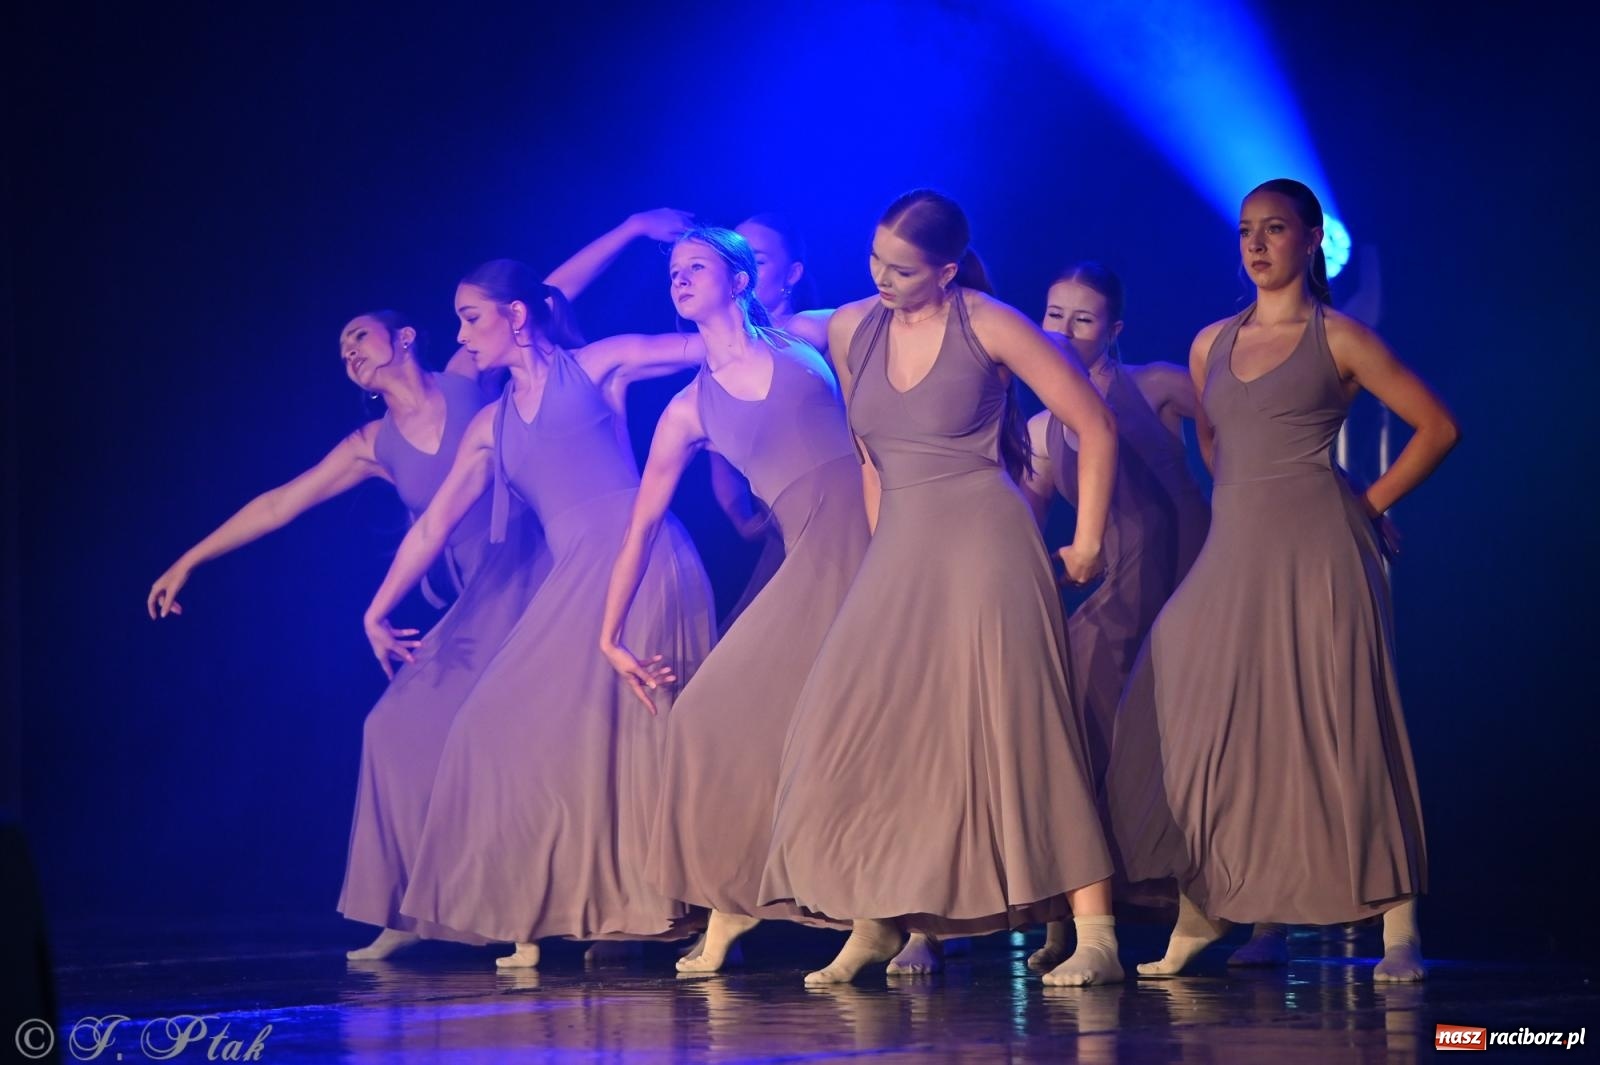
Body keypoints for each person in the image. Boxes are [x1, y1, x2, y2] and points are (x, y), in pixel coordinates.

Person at [759, 190, 1125, 987]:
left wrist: (1088, 539)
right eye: (875, 260)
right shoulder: (854, 328)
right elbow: (869, 458)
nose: (881, 278)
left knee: (1024, 727)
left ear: (947, 270)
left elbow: (1095, 424)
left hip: (986, 543)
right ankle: (876, 914)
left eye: (901, 269)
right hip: (902, 545)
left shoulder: (990, 324)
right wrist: (879, 555)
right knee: (864, 725)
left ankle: (1097, 934)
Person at [1104, 179, 1458, 983]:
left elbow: (1438, 427)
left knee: (1344, 719)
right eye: (1245, 231)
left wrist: (1364, 504)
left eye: (1273, 229)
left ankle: (1399, 925)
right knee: (1191, 693)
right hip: (1238, 546)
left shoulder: (1341, 338)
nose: (1257, 244)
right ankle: (1209, 906)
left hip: (1322, 548)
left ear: (1310, 238)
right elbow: (1219, 445)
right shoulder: (1210, 343)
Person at [362, 259, 717, 968]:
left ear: (517, 315)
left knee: (652, 728)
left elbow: (709, 344)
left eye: (471, 318)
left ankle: (700, 912)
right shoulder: (490, 426)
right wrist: (376, 611)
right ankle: (553, 910)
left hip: (644, 559)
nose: (462, 336)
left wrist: (823, 318)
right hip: (573, 578)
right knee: (492, 727)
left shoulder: (597, 366)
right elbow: (431, 527)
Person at [600, 227, 869, 973]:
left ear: (742, 280)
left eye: (698, 266)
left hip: (879, 531)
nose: (680, 278)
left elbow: (904, 313)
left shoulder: (805, 335)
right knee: (707, 717)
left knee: (879, 714)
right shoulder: (688, 411)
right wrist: (610, 634)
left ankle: (907, 918)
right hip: (806, 558)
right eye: (674, 271)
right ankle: (732, 899)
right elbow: (640, 527)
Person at [1017, 262, 1211, 973]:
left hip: (1188, 578)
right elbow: (1023, 521)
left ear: (1114, 329)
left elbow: (1257, 430)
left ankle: (1247, 908)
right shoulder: (1042, 427)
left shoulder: (1156, 385)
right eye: (1053, 314)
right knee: (1071, 719)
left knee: (1194, 735)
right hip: (1112, 590)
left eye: (1083, 318)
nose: (1064, 330)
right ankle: (1071, 913)